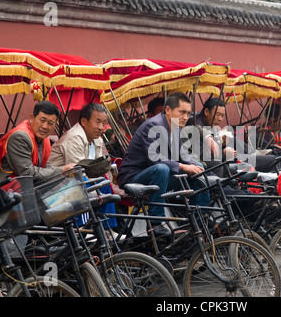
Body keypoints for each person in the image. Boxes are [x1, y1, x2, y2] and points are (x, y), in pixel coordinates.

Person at [117, 92, 209, 236]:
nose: (186, 117)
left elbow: (183, 155)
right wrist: (184, 167)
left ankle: (201, 218)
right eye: (182, 112)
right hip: (134, 177)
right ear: (167, 110)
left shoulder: (175, 128)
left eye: (188, 113)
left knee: (198, 168)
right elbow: (155, 160)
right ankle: (155, 223)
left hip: (157, 177)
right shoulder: (153, 125)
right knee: (162, 168)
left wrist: (194, 166)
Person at [0, 100, 75, 193]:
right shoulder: (20, 137)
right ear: (32, 118)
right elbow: (27, 172)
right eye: (42, 120)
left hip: (20, 190)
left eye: (50, 123)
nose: (45, 126)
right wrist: (61, 170)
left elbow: (44, 166)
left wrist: (63, 172)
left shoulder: (43, 138)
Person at [48, 102, 117, 229]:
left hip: (76, 183)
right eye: (97, 122)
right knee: (82, 182)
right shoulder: (74, 138)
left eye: (104, 123)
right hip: (55, 189)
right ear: (84, 121)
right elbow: (77, 173)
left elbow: (96, 170)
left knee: (104, 182)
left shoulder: (97, 139)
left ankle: (107, 229)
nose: (101, 127)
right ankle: (83, 229)